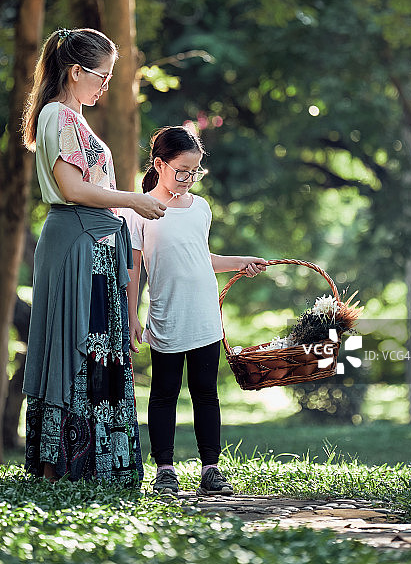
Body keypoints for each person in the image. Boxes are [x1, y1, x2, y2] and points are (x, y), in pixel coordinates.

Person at [22, 27, 166, 485]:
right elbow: (73, 189)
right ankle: (62, 466)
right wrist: (133, 201)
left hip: (96, 246)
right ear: (75, 71)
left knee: (98, 348)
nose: (107, 85)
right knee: (73, 349)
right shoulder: (58, 116)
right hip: (76, 245)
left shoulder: (75, 118)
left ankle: (92, 466)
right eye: (101, 76)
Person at [121, 125, 267, 497]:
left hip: (204, 316)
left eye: (195, 171)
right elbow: (135, 269)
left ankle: (211, 469)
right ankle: (165, 469)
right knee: (164, 393)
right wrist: (132, 315)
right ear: (159, 164)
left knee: (206, 393)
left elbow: (203, 259)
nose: (188, 179)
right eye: (181, 170)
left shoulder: (201, 207)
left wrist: (240, 262)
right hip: (167, 317)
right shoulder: (140, 212)